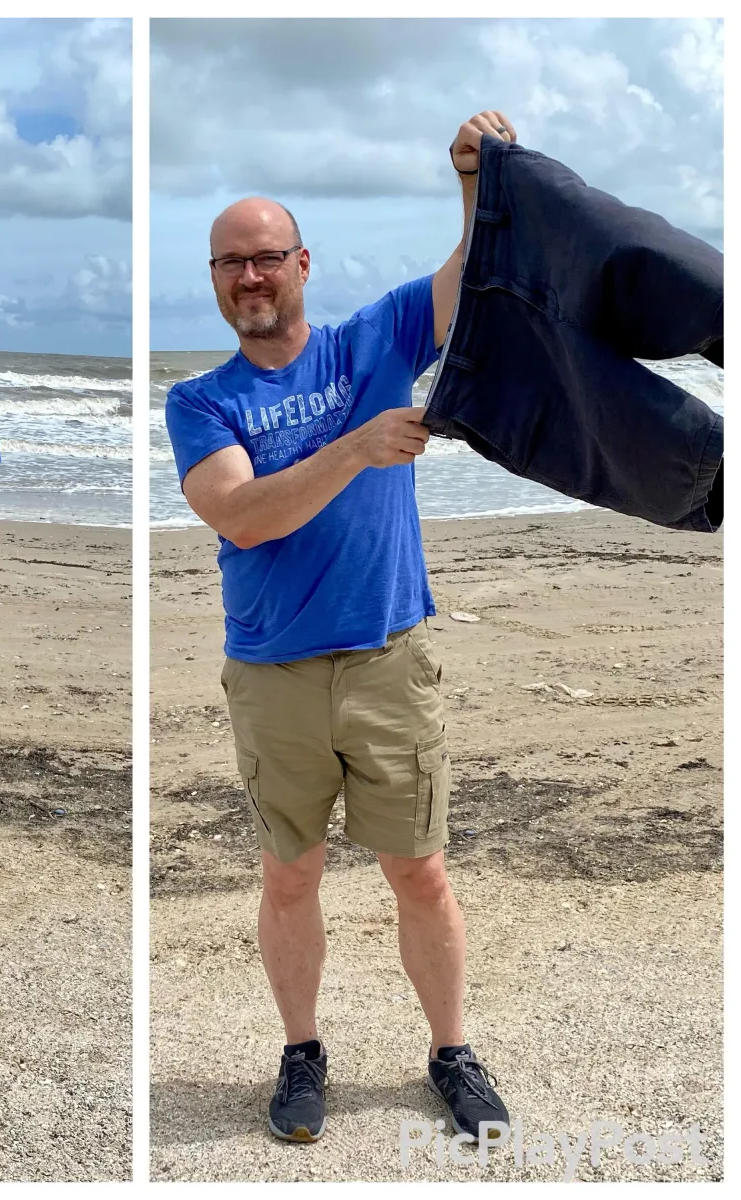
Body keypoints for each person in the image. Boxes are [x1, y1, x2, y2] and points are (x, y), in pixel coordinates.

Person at [163, 112, 516, 1145]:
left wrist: (471, 178)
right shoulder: (201, 400)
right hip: (272, 673)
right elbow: (242, 513)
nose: (250, 277)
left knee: (421, 871)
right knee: (290, 875)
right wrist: (357, 449)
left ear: (301, 263)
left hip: (387, 659)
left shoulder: (375, 340)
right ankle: (302, 1051)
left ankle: (451, 1050)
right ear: (217, 280)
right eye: (231, 263)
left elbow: (471, 279)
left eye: (267, 257)